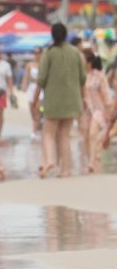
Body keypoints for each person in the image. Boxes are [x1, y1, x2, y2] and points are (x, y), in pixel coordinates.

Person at [33, 23, 86, 178]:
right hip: (72, 100)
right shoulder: (75, 52)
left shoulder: (49, 53)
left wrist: (35, 100)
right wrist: (82, 99)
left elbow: (41, 79)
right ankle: (65, 170)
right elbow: (83, 78)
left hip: (53, 100)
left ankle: (50, 160)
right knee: (64, 135)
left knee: (48, 133)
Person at [81, 50, 112, 173]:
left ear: (88, 62)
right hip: (85, 110)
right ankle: (92, 159)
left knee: (93, 134)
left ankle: (91, 163)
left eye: (82, 59)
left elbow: (106, 94)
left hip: (99, 109)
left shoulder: (99, 75)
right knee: (85, 136)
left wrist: (108, 111)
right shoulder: (80, 76)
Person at [21, 47, 44, 140]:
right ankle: (37, 127)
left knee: (38, 108)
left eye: (38, 52)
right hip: (32, 87)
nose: (36, 54)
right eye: (35, 53)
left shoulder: (44, 64)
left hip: (41, 88)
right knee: (32, 109)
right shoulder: (30, 65)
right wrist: (24, 86)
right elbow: (26, 76)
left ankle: (35, 130)